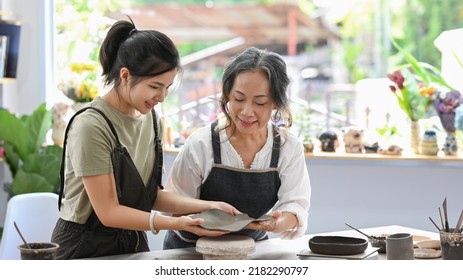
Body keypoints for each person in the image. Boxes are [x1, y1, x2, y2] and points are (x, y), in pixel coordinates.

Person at [51, 18, 239, 259]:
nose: (161, 96)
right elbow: (108, 211)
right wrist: (177, 224)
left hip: (132, 240)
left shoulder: (152, 120)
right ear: (126, 75)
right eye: (154, 86)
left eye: (168, 87)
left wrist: (209, 206)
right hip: (83, 247)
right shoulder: (91, 125)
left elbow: (150, 196)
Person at [163, 47, 311, 249]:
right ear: (226, 96)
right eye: (239, 99)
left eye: (260, 102)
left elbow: (295, 205)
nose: (247, 112)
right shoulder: (201, 144)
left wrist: (280, 222)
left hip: (252, 250)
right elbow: (173, 205)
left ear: (275, 102)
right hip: (191, 251)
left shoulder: (288, 147)